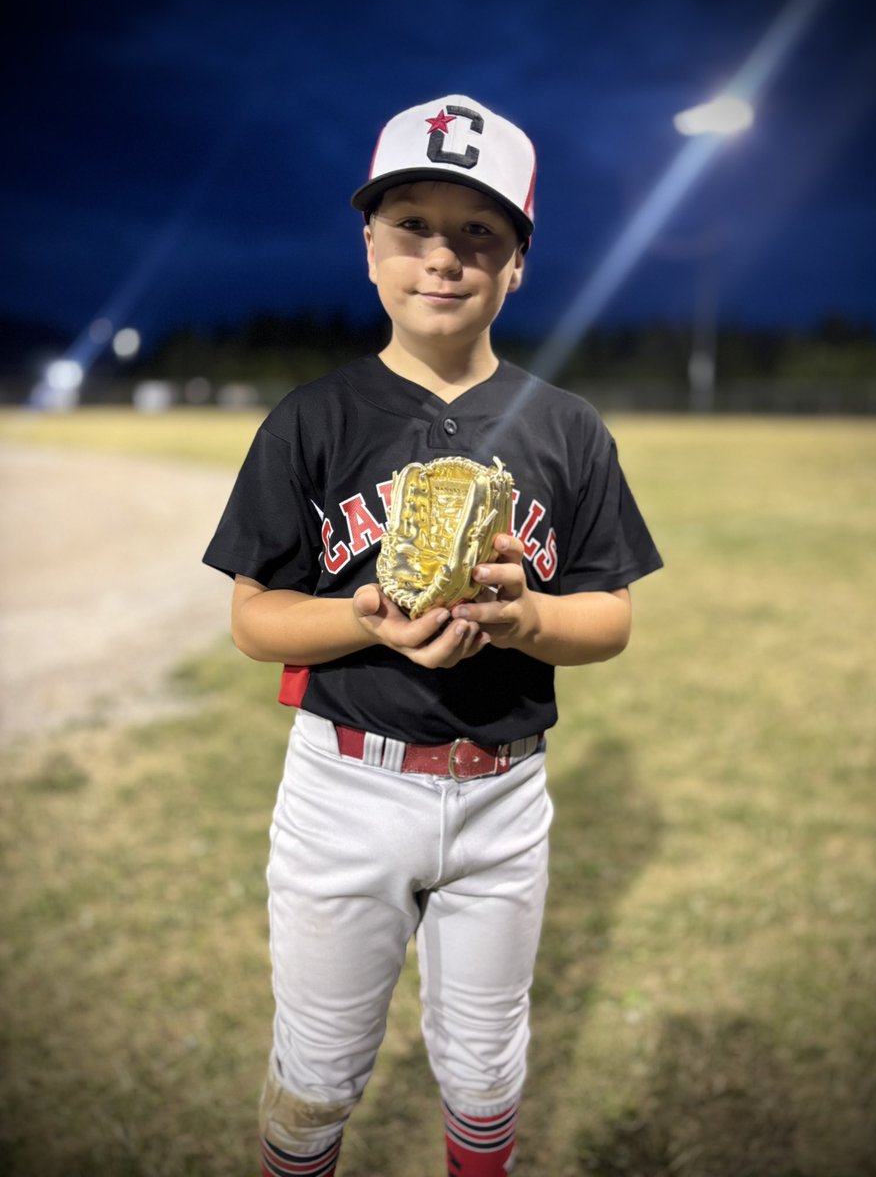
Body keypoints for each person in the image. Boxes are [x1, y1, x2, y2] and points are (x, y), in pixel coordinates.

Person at [203, 94, 663, 1177]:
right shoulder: (312, 419)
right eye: (412, 224)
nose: (444, 256)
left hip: (504, 793)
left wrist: (531, 618)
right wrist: (361, 615)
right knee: (317, 1074)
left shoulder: (568, 428)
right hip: (345, 790)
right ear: (368, 245)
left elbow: (609, 617)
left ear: (520, 264)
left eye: (480, 233)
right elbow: (255, 620)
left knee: (487, 1071)